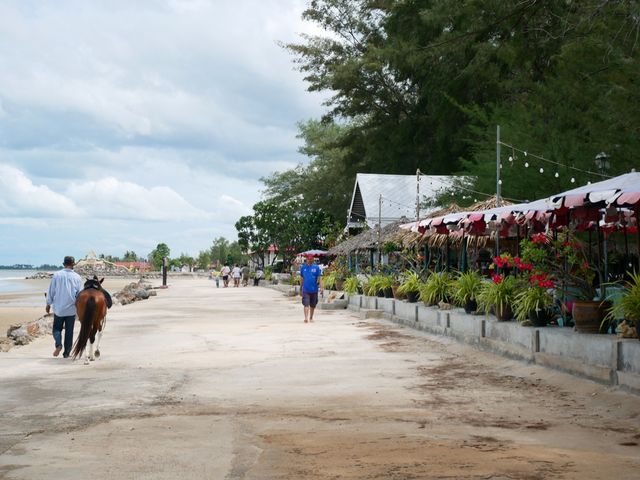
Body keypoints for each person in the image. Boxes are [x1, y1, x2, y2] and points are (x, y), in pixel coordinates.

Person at [46, 256, 82, 358]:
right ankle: (67, 353)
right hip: (71, 309)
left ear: (63, 264)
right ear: (73, 264)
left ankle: (58, 344)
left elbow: (51, 291)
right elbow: (80, 294)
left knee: (56, 329)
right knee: (69, 332)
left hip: (59, 309)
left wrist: (48, 304)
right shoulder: (77, 277)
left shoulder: (57, 275)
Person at [299, 254, 323, 323]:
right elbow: (301, 278)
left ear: (313, 260)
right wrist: (301, 288)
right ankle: (306, 318)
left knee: (313, 305)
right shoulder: (303, 268)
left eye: (311, 259)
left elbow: (319, 278)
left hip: (314, 289)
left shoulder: (316, 268)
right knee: (306, 304)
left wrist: (321, 287)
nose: (309, 260)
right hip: (306, 289)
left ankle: (311, 317)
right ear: (306, 260)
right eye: (308, 259)